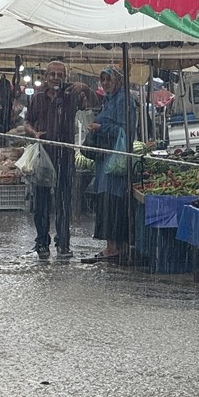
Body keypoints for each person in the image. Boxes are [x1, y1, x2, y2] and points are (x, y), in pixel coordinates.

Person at [24, 60, 93, 259]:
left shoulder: (71, 97)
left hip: (64, 156)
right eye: (52, 74)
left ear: (64, 77)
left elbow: (92, 104)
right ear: (45, 77)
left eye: (59, 75)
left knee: (63, 202)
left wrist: (86, 88)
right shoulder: (37, 98)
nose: (55, 78)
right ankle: (42, 242)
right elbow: (28, 121)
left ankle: (63, 243)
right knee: (41, 202)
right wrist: (34, 133)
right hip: (43, 156)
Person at [86, 66, 132, 262]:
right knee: (109, 202)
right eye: (103, 80)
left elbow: (125, 129)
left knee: (112, 204)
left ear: (118, 81)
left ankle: (113, 247)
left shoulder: (123, 100)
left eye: (109, 79)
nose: (105, 83)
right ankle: (116, 247)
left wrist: (100, 127)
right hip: (106, 162)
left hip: (115, 163)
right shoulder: (110, 100)